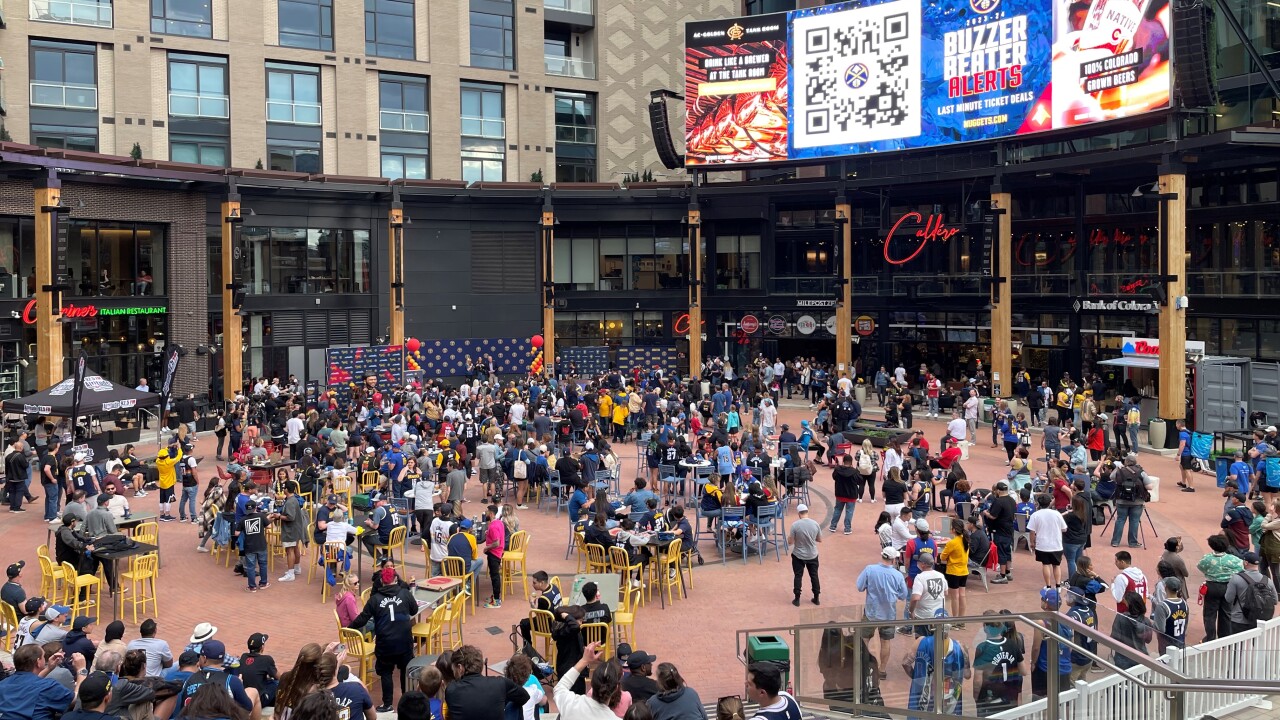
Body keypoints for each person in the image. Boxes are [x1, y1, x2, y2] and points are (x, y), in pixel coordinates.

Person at [347, 564, 419, 712]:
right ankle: (406, 703)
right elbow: (414, 610)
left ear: (381, 581)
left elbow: (362, 618)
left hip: (385, 643)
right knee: (405, 671)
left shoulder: (375, 599)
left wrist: (349, 629)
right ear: (395, 579)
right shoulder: (405, 593)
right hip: (404, 642)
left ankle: (387, 705)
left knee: (386, 672)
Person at [856, 547, 910, 676]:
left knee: (864, 638)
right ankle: (882, 670)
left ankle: (862, 666)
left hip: (871, 612)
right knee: (885, 641)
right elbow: (903, 595)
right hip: (889, 614)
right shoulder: (897, 575)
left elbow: (859, 586)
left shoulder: (870, 569)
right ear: (893, 559)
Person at [446, 645, 530, 720]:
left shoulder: (451, 690)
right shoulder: (500, 683)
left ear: (460, 668)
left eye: (454, 670)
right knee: (516, 702)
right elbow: (524, 697)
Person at [904, 628, 970, 715]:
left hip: (925, 697)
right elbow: (967, 674)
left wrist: (917, 678)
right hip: (949, 699)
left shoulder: (920, 641)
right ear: (949, 628)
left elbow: (905, 663)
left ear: (932, 626)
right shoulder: (960, 646)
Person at [973, 613, 1025, 717]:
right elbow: (1023, 671)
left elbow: (978, 680)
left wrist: (976, 697)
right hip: (1010, 697)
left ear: (985, 628)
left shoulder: (982, 648)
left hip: (989, 699)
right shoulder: (1013, 644)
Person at [1198, 533, 1246, 641]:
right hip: (1228, 587)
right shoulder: (1233, 559)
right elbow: (1240, 568)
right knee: (1226, 613)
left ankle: (1210, 638)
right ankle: (1224, 638)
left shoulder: (1207, 558)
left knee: (1209, 614)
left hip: (1212, 587)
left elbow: (1200, 567)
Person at [1029, 589, 1072, 701]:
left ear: (1046, 603)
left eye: (1042, 598)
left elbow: (1036, 648)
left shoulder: (1041, 622)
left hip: (1045, 668)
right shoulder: (1067, 619)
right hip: (1064, 667)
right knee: (1063, 703)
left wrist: (1033, 663)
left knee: (1041, 701)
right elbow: (1070, 646)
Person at [1224, 552, 1277, 635]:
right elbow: (1275, 600)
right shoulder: (1267, 580)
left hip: (1239, 619)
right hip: (1260, 620)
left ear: (1245, 562)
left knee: (1237, 646)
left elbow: (1228, 598)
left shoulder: (1236, 578)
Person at [1110, 454, 1152, 548]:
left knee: (1120, 520)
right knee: (1134, 521)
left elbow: (1111, 477)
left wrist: (1118, 468)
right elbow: (1150, 486)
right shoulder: (1141, 472)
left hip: (1121, 500)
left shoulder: (1120, 471)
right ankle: (1133, 543)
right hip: (1137, 501)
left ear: (1126, 462)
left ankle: (1115, 542)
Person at [1027, 494, 1067, 589]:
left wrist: (1032, 542)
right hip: (1056, 544)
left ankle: (1048, 586)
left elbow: (1032, 531)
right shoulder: (1057, 514)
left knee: (1045, 565)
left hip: (1042, 545)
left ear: (1038, 503)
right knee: (1056, 565)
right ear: (1050, 502)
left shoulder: (1035, 515)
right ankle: (1058, 586)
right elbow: (1064, 529)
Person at [983, 482, 1016, 584]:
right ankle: (1008, 572)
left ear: (998, 490)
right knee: (1007, 551)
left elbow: (993, 516)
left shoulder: (998, 501)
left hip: (1000, 529)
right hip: (1009, 529)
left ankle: (1002, 575)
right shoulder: (1012, 500)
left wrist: (985, 513)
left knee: (1001, 552)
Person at [1109, 592, 1154, 669]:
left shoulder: (1120, 617)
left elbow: (1115, 637)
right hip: (1141, 657)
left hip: (1123, 657)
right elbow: (1148, 640)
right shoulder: (1146, 621)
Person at [789, 504, 821, 606]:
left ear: (799, 513)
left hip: (798, 554)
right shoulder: (815, 524)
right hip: (812, 554)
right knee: (814, 575)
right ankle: (816, 597)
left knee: (798, 575)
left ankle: (797, 598)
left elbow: (790, 542)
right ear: (807, 512)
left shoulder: (795, 525)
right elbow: (819, 539)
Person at [939, 517, 970, 621]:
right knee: (962, 595)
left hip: (953, 571)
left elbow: (942, 557)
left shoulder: (952, 543)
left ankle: (955, 619)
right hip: (964, 570)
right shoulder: (965, 540)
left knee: (954, 597)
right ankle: (962, 619)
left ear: (954, 530)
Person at [909, 553, 948, 633]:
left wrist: (911, 611)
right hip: (939, 614)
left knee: (923, 642)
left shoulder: (919, 577)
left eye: (918, 561)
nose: (917, 563)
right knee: (938, 642)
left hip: (923, 616)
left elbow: (915, 598)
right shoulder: (940, 575)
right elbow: (946, 592)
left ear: (923, 564)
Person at [238, 633, 278, 707]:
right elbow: (278, 677)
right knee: (276, 683)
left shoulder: (243, 656)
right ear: (262, 647)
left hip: (244, 697)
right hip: (258, 700)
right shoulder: (266, 659)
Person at [1151, 577, 1189, 653]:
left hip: (1167, 646)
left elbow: (1160, 629)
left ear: (1165, 588)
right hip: (1180, 643)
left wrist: (1151, 624)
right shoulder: (1184, 604)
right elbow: (1185, 624)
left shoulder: (1162, 606)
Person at [482, 503, 506, 609]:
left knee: (495, 576)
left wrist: (487, 548)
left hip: (494, 553)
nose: (485, 513)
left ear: (491, 514)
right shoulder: (498, 523)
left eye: (487, 512)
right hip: (498, 552)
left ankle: (496, 600)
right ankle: (495, 597)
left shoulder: (493, 526)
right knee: (494, 575)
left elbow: (496, 542)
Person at [829, 456, 858, 535]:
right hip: (851, 495)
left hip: (840, 493)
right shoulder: (855, 472)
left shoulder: (837, 470)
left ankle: (833, 526)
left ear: (843, 461)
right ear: (851, 462)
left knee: (837, 510)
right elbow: (859, 481)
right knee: (849, 511)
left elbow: (834, 477)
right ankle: (847, 528)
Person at [1175, 419, 1195, 492]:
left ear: (1179, 425)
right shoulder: (1188, 432)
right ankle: (1183, 483)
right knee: (1181, 466)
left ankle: (1191, 487)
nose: (1176, 426)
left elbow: (1182, 444)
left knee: (1187, 470)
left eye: (1176, 424)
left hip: (1186, 454)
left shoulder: (1182, 434)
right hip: (1190, 453)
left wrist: (1178, 454)